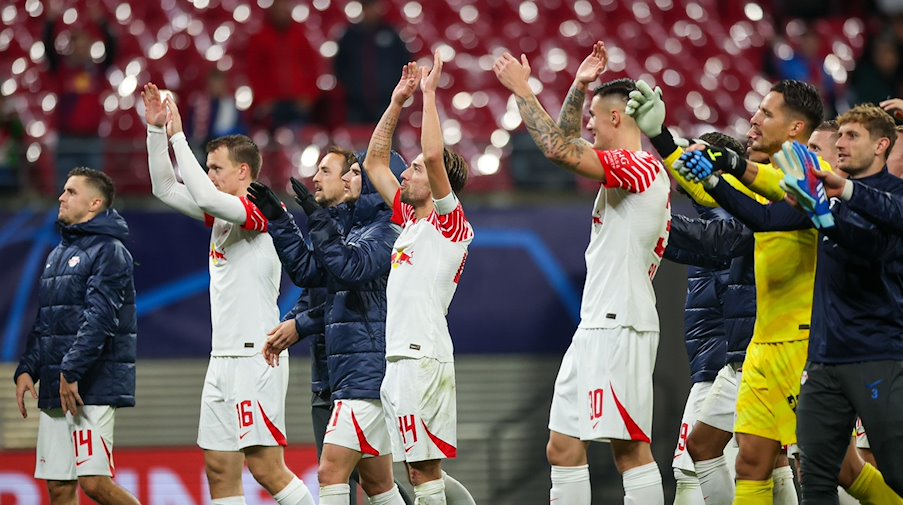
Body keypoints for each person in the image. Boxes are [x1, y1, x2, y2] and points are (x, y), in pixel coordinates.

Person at [681, 104, 903, 504]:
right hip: (819, 356)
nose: (827, 153)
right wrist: (708, 164)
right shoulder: (812, 200)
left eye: (842, 141)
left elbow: (869, 238)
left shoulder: (874, 202)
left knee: (875, 466)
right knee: (809, 470)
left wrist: (831, 209)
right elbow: (762, 208)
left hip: (873, 354)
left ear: (881, 146)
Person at [495, 42, 671, 504]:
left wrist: (522, 89)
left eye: (595, 116)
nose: (588, 125)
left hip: (621, 324)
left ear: (618, 119)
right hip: (596, 326)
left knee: (630, 450)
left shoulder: (641, 167)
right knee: (563, 446)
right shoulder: (626, 170)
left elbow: (558, 150)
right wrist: (579, 86)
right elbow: (568, 142)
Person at [142, 83, 314, 505]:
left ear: (244, 172)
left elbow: (199, 192)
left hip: (257, 356)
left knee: (266, 468)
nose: (210, 175)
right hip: (222, 358)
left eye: (216, 167)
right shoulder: (221, 215)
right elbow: (164, 188)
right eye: (208, 167)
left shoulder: (257, 211)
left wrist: (178, 135)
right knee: (219, 470)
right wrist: (154, 131)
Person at [250, 146, 414, 505]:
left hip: (364, 372)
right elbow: (311, 273)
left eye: (356, 172)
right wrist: (279, 218)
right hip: (343, 370)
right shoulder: (352, 228)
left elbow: (349, 270)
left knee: (333, 472)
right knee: (378, 482)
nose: (346, 178)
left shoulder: (389, 230)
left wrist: (316, 216)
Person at [362, 54, 476, 505]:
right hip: (399, 358)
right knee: (415, 470)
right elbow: (374, 163)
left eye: (411, 169)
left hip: (422, 358)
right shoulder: (410, 218)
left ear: (435, 179)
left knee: (425, 470)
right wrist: (397, 103)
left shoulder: (450, 225)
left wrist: (428, 95)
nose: (404, 172)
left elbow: (431, 154)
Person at [14, 167, 139, 505]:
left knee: (95, 483)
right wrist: (28, 368)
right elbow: (48, 321)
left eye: (71, 192)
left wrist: (72, 370)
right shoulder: (58, 255)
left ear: (95, 203)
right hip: (60, 383)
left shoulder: (110, 252)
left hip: (90, 385)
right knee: (58, 486)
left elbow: (100, 318)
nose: (61, 197)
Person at [663, 132, 754, 505]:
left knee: (690, 470)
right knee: (764, 464)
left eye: (693, 162)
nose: (683, 170)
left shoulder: (731, 218)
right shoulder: (712, 216)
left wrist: (649, 216)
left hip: (723, 370)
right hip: (716, 368)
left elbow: (711, 244)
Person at [44, 1, 117, 187]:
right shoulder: (61, 70)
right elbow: (48, 48)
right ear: (70, 47)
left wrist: (101, 22)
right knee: (65, 189)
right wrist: (51, 21)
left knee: (94, 189)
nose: (82, 50)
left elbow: (113, 49)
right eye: (78, 45)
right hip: (67, 139)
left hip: (92, 139)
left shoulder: (98, 71)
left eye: (85, 45)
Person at [247, 0, 320, 130]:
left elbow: (312, 68)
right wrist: (263, 98)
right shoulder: (260, 38)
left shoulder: (300, 36)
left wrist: (309, 95)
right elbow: (254, 72)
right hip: (272, 104)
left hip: (298, 102)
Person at [334, 0, 412, 124]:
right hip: (356, 103)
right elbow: (340, 66)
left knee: (387, 138)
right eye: (367, 8)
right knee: (357, 139)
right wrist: (351, 87)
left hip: (387, 102)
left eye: (373, 7)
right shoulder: (350, 36)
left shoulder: (391, 34)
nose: (371, 12)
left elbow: (404, 62)